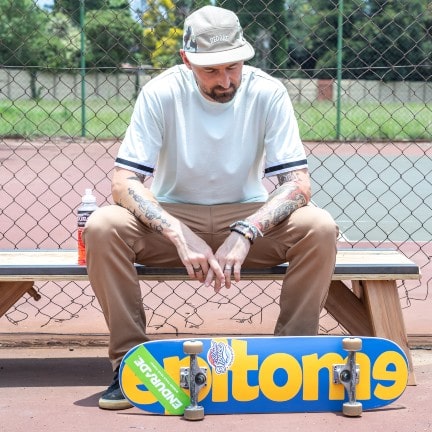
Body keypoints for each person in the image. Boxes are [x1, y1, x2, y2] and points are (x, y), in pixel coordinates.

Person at [84, 5, 339, 410]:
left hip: (249, 215)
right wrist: (178, 232)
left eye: (233, 67)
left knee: (320, 226)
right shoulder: (161, 91)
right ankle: (130, 363)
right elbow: (124, 181)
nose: (225, 81)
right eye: (211, 71)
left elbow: (298, 184)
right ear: (187, 60)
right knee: (102, 226)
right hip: (173, 217)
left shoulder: (268, 91)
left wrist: (246, 231)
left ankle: (294, 360)